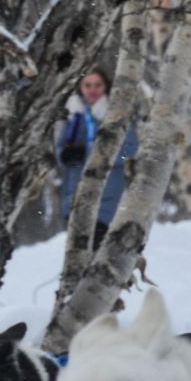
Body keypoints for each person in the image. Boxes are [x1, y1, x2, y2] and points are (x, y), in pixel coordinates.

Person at [54, 69, 137, 250]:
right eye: (88, 85)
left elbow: (129, 150)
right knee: (77, 252)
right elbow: (60, 148)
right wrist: (66, 156)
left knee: (98, 249)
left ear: (106, 87)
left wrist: (97, 157)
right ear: (80, 88)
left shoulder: (116, 115)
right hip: (74, 195)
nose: (93, 90)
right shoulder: (73, 115)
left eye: (98, 85)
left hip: (107, 196)